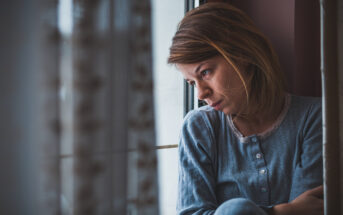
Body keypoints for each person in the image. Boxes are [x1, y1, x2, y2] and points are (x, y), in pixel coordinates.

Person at [167, 3, 323, 215]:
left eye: (205, 73)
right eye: (192, 83)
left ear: (242, 54)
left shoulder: (314, 118)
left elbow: (311, 210)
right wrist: (280, 211)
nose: (200, 94)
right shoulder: (198, 128)